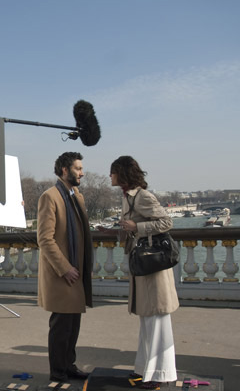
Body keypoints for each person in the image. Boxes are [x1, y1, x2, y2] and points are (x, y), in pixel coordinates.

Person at [108, 156, 178, 390]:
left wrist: (137, 227)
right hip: (144, 267)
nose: (110, 176)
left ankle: (159, 374)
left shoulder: (142, 196)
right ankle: (146, 369)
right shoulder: (129, 197)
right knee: (148, 320)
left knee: (156, 319)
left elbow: (166, 222)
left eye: (113, 172)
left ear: (122, 173)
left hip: (152, 268)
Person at [36, 152, 93, 384]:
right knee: (61, 327)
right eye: (78, 168)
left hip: (75, 272)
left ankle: (68, 366)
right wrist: (65, 268)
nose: (82, 172)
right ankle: (58, 372)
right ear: (64, 171)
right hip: (63, 274)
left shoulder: (75, 195)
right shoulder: (50, 197)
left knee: (72, 325)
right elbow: (45, 239)